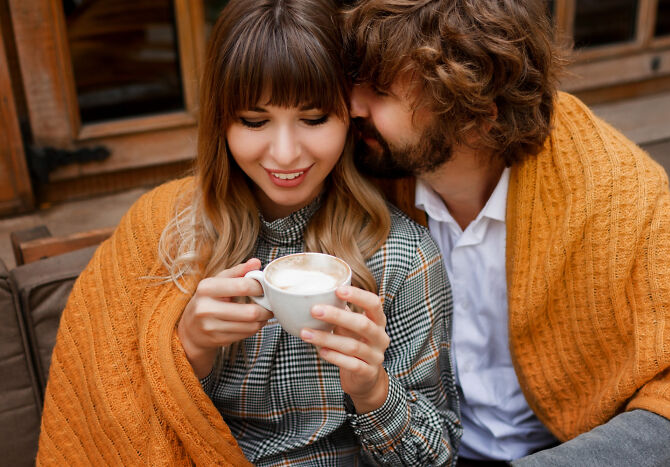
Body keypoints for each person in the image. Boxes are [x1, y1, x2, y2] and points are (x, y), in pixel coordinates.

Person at [36, 0, 461, 465]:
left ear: (350, 115)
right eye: (255, 122)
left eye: (314, 118)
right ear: (221, 121)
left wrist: (373, 391)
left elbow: (437, 455)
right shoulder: (167, 236)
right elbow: (113, 420)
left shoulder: (399, 255)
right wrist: (187, 353)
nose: (284, 153)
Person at [342, 0, 670, 465]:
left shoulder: (615, 189)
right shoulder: (363, 169)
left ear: (477, 114)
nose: (352, 106)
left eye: (382, 91)